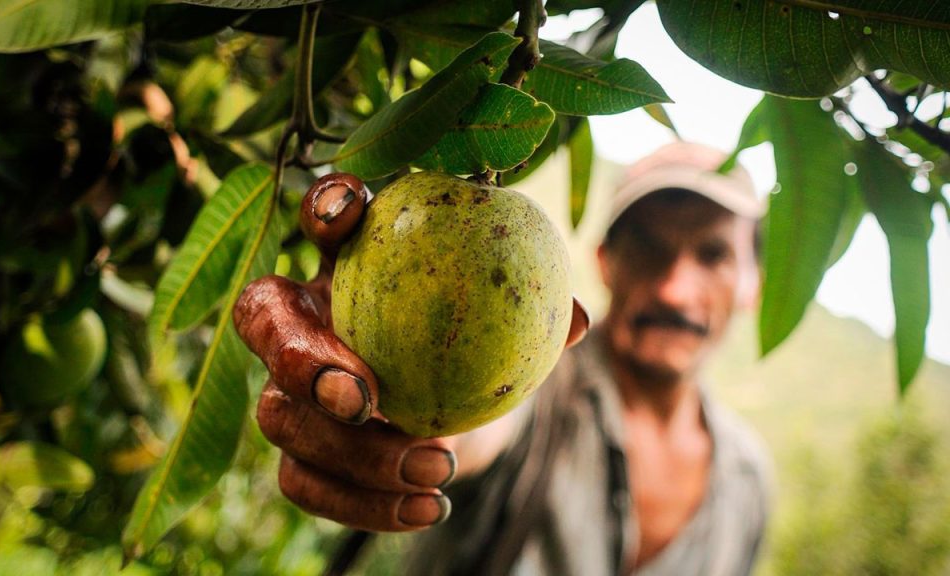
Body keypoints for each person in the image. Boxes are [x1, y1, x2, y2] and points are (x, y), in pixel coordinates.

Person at [233, 141, 773, 575]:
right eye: (650, 249)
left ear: (754, 283)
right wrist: (394, 391)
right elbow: (483, 425)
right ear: (605, 262)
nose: (676, 290)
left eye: (714, 254)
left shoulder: (749, 480)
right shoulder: (534, 382)